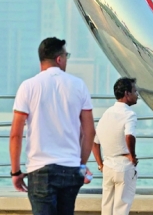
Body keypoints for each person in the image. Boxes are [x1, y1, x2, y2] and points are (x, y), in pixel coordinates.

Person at [10, 37, 95, 215]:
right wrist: (81, 163)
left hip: (40, 169)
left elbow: (16, 135)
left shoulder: (28, 86)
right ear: (59, 59)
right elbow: (89, 132)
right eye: (66, 56)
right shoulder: (78, 85)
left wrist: (16, 171)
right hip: (71, 168)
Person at [94, 78, 140, 215]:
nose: (137, 94)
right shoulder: (129, 114)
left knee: (107, 207)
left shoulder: (106, 114)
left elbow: (95, 142)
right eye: (135, 91)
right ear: (127, 93)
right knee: (121, 208)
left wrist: (100, 164)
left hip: (108, 166)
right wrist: (132, 155)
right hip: (124, 167)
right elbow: (129, 135)